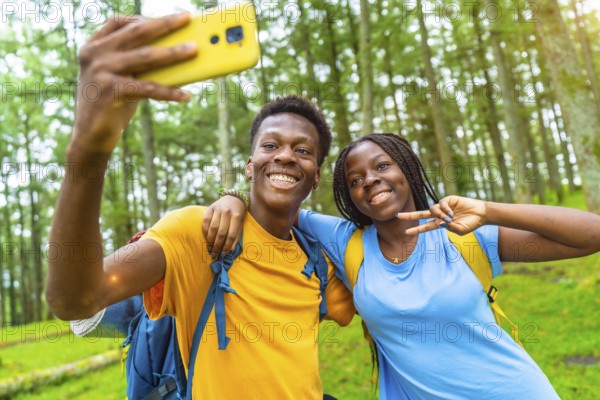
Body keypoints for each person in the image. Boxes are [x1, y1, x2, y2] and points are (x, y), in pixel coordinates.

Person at [46, 13, 355, 400]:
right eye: (271, 146)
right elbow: (75, 300)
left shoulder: (320, 262)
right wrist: (89, 147)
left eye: (303, 150)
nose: (286, 157)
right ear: (249, 165)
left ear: (315, 175)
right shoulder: (198, 232)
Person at [205, 133, 600, 399]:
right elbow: (276, 203)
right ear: (348, 195)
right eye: (356, 179)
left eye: (382, 167)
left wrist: (491, 210)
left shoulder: (461, 234)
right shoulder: (347, 244)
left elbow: (591, 235)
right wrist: (233, 198)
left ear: (407, 170)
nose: (370, 181)